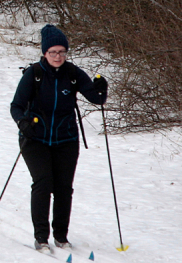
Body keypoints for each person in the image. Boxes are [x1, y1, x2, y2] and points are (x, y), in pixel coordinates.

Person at [9, 24, 108, 251]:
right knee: (43, 182)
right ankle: (41, 238)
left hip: (66, 139)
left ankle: (61, 237)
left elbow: (96, 98)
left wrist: (101, 89)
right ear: (45, 53)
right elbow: (16, 106)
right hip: (35, 138)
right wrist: (23, 123)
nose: (58, 56)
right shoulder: (33, 75)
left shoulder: (73, 74)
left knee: (64, 188)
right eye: (53, 52)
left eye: (62, 52)